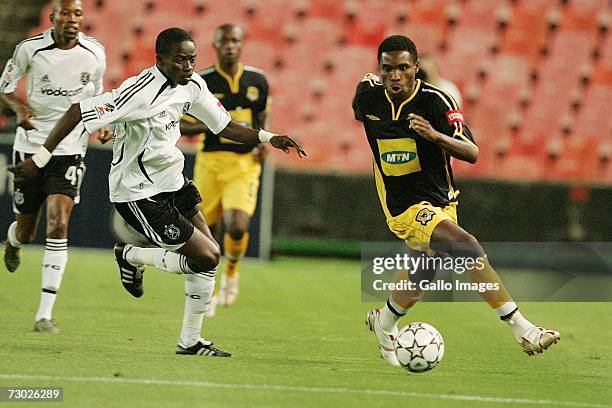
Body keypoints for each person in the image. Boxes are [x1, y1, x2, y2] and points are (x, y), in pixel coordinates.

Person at [9, 27, 305, 356]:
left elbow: (226, 127)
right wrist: (40, 157)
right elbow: (79, 111)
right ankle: (130, 255)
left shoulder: (193, 85)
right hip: (137, 193)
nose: (188, 67)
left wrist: (269, 138)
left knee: (208, 259)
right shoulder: (138, 92)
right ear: (160, 59)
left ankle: (190, 341)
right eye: (180, 60)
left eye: (192, 60)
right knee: (207, 255)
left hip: (174, 183)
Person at [352, 35, 559, 366]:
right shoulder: (368, 98)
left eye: (403, 67)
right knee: (466, 246)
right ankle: (523, 329)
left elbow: (473, 152)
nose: (395, 75)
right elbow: (360, 110)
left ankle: (385, 321)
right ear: (379, 70)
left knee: (425, 270)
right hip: (403, 206)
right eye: (387, 68)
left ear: (416, 69)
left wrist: (434, 136)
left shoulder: (437, 102)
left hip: (441, 201)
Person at [1, 0, 109, 333]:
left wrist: (101, 122)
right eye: (66, 13)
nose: (73, 19)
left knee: (59, 223)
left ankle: (43, 314)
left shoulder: (95, 54)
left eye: (78, 13)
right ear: (52, 18)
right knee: (26, 230)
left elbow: (97, 96)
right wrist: (18, 110)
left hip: (70, 149)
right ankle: (14, 243)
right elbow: (4, 88)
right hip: (31, 149)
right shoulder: (29, 50)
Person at [180, 24, 269, 315]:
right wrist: (217, 124)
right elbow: (181, 123)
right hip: (211, 162)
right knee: (209, 233)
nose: (230, 45)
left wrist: (262, 139)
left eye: (235, 40)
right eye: (224, 41)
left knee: (238, 224)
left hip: (243, 165)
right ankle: (210, 289)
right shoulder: (201, 80)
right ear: (216, 45)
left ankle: (232, 271)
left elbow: (261, 114)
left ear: (242, 44)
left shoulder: (258, 80)